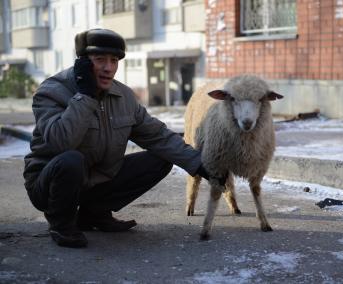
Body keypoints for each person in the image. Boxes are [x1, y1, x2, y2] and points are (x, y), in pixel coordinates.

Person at [23, 28, 212, 248]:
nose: (108, 68)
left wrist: (199, 163)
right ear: (82, 63)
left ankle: (94, 213)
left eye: (114, 60)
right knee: (71, 159)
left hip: (95, 181)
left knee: (160, 158)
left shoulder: (124, 96)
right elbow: (61, 142)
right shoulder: (52, 91)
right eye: (100, 59)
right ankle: (61, 223)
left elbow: (157, 136)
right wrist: (86, 96)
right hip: (48, 185)